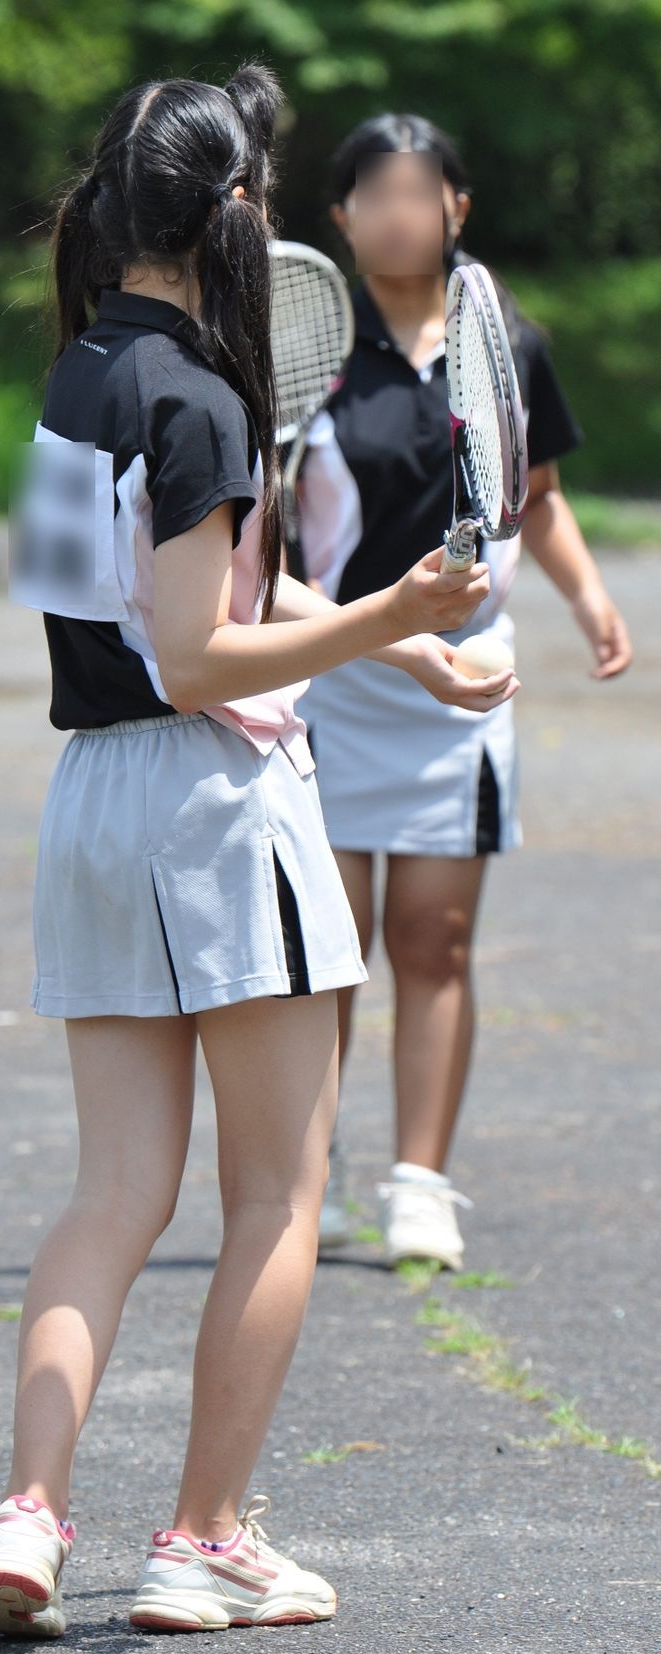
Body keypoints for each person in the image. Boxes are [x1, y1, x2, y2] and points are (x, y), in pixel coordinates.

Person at [0, 70, 517, 1641]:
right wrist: (394, 608)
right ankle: (204, 1537)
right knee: (279, 1191)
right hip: (214, 806)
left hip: (95, 800)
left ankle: (28, 1512)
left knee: (113, 1192)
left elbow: (160, 610)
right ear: (238, 215)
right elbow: (202, 657)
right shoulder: (200, 400)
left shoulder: (78, 375)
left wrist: (392, 647)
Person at [294, 113, 633, 1268]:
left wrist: (588, 597)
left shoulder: (503, 340)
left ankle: (420, 1183)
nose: (397, 213)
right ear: (340, 217)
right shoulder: (304, 351)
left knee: (433, 941)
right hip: (330, 672)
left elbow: (536, 495)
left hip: (463, 685)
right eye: (374, 194)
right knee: (328, 947)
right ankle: (306, 1173)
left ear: (456, 208)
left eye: (417, 191)